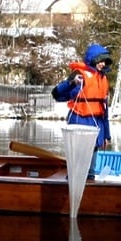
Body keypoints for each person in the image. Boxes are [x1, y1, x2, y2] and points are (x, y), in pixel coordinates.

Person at [51, 43, 113, 177]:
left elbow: (104, 111)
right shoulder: (80, 75)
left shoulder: (103, 79)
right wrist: (71, 83)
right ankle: (72, 190)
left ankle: (89, 190)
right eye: (100, 61)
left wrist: (106, 135)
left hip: (97, 126)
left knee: (91, 171)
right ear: (93, 59)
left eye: (104, 61)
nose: (102, 64)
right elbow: (57, 95)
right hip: (80, 123)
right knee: (77, 168)